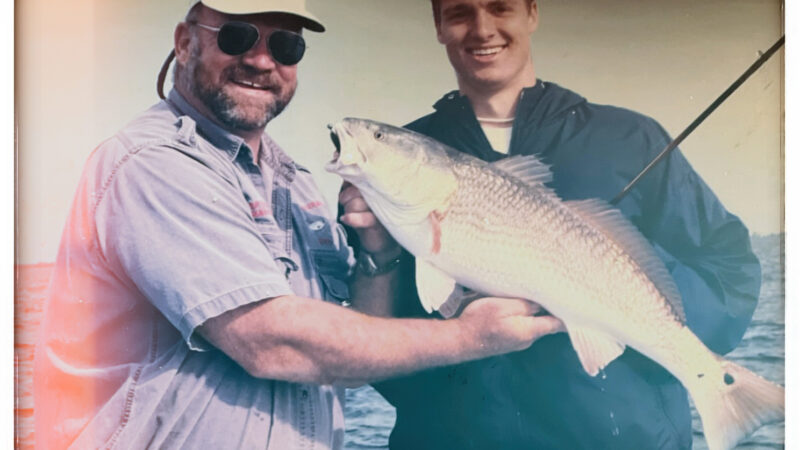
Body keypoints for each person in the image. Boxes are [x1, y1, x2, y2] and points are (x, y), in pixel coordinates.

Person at [32, 1, 566, 448]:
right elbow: (273, 344)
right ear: (184, 41)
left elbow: (354, 356)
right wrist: (470, 336)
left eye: (286, 46)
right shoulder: (154, 163)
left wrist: (377, 254)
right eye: (238, 36)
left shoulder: (298, 184)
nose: (262, 60)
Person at [361, 0, 762, 448]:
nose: (482, 28)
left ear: (532, 12)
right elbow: (373, 356)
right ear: (437, 25)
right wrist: (376, 253)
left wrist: (601, 291)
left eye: (500, 7)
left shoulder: (630, 137)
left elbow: (732, 270)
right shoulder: (400, 159)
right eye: (459, 13)